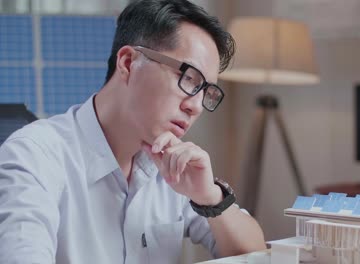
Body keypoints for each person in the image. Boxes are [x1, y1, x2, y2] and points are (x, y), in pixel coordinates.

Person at [0, 0, 266, 263]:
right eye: (188, 79)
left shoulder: (175, 165)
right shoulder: (34, 156)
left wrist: (209, 196)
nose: (196, 106)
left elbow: (258, 256)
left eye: (206, 92)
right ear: (128, 62)